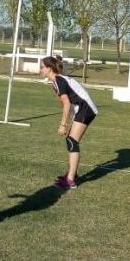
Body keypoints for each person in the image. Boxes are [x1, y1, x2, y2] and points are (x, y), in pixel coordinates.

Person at [39, 55, 98, 189]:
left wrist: (63, 124)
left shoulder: (58, 80)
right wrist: (71, 120)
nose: (40, 70)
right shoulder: (57, 81)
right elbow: (69, 104)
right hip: (82, 109)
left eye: (42, 67)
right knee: (70, 140)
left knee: (72, 141)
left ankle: (70, 180)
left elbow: (66, 104)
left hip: (86, 108)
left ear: (49, 68)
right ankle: (72, 174)